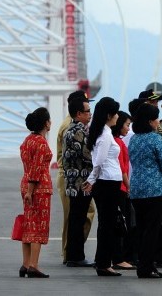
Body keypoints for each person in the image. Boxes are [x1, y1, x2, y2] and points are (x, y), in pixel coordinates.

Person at [128, 102, 162, 278]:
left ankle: (143, 264)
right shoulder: (155, 139)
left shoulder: (134, 139)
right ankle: (147, 266)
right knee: (152, 230)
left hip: (137, 187)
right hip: (154, 189)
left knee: (141, 228)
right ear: (149, 121)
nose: (158, 123)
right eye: (155, 120)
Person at [84, 97, 123, 277]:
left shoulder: (101, 131)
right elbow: (98, 161)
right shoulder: (105, 134)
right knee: (107, 225)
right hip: (107, 182)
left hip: (107, 181)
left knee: (106, 224)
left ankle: (103, 262)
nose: (117, 117)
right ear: (109, 115)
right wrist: (91, 180)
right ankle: (104, 263)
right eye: (115, 113)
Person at [56, 91, 95, 264]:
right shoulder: (78, 131)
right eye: (87, 111)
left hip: (74, 182)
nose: (90, 114)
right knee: (78, 219)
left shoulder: (71, 128)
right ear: (78, 114)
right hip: (80, 182)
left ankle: (73, 254)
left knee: (76, 218)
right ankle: (75, 255)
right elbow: (88, 155)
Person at [19, 107, 53, 278]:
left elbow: (29, 168)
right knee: (38, 226)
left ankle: (25, 264)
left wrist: (27, 191)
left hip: (25, 184)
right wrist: (31, 192)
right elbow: (37, 169)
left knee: (28, 224)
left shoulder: (27, 141)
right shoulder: (41, 143)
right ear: (46, 123)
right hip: (39, 188)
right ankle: (34, 265)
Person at [110, 111, 136, 270]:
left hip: (119, 186)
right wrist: (128, 187)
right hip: (121, 187)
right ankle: (119, 258)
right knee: (121, 224)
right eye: (127, 125)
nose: (128, 128)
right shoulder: (118, 143)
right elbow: (122, 169)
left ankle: (116, 257)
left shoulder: (116, 141)